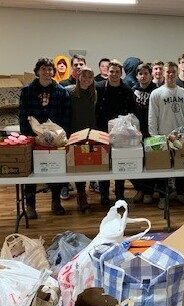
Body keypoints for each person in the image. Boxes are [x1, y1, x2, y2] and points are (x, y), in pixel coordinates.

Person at [19, 57, 71, 219]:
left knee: (55, 169)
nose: (47, 72)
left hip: (55, 139)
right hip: (33, 138)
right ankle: (30, 204)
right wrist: (29, 136)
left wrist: (59, 135)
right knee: (31, 172)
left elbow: (66, 116)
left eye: (50, 69)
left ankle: (56, 202)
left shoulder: (61, 91)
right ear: (37, 71)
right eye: (43, 69)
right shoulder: (27, 90)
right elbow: (22, 115)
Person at [148, 61, 184, 209]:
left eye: (174, 72)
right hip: (163, 136)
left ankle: (179, 193)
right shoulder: (156, 94)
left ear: (177, 73)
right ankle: (163, 196)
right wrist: (155, 136)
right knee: (163, 169)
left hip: (181, 136)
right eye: (168, 72)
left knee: (181, 166)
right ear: (163, 73)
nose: (171, 74)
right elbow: (152, 116)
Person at [96, 59, 136, 205]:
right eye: (111, 71)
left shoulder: (127, 90)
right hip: (102, 131)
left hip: (122, 133)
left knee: (121, 163)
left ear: (121, 73)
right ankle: (104, 194)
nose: (113, 74)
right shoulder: (99, 88)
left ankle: (119, 194)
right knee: (104, 163)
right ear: (107, 72)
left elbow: (132, 112)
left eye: (117, 72)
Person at [67, 67, 97, 213]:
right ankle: (81, 194)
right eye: (83, 77)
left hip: (90, 134)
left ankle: (88, 189)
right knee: (77, 166)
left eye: (89, 77)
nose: (86, 80)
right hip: (75, 133)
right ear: (78, 77)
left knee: (88, 162)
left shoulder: (94, 93)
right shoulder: (70, 92)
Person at [131, 63, 158, 205]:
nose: (143, 76)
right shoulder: (132, 90)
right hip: (136, 132)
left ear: (150, 74)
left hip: (151, 132)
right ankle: (139, 189)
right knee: (137, 161)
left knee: (150, 161)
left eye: (145, 73)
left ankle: (149, 191)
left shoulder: (156, 91)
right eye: (140, 73)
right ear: (136, 76)